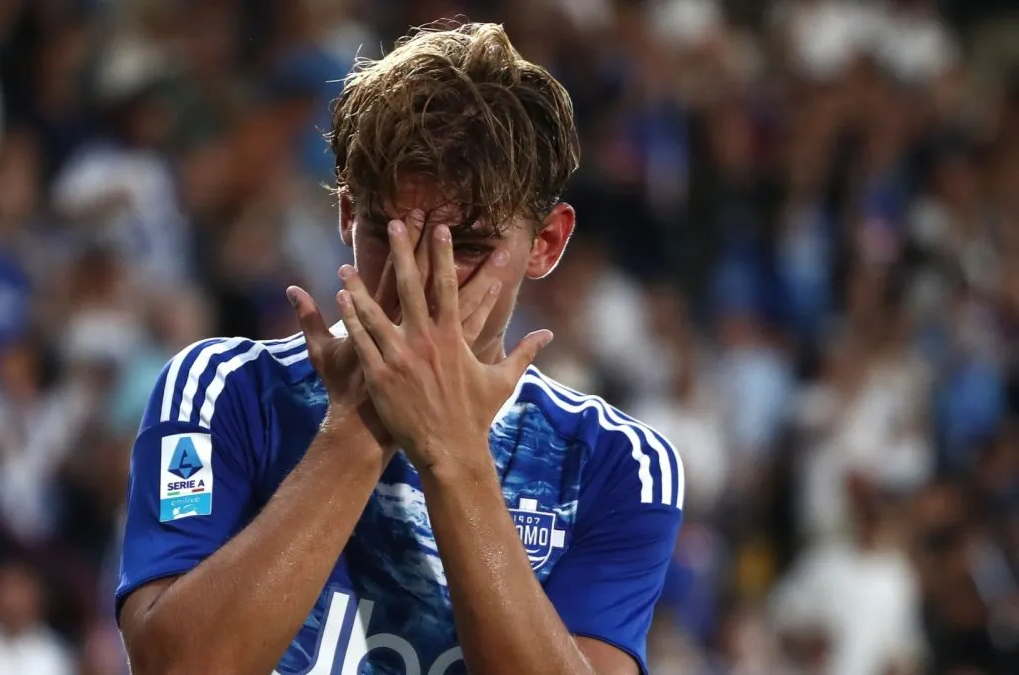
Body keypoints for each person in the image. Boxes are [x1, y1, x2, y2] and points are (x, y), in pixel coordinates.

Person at [116, 22, 684, 675]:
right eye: (389, 232)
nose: (417, 284)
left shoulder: (618, 462)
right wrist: (360, 427)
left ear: (547, 243)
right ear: (347, 214)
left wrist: (453, 454)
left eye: (466, 247)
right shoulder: (219, 390)